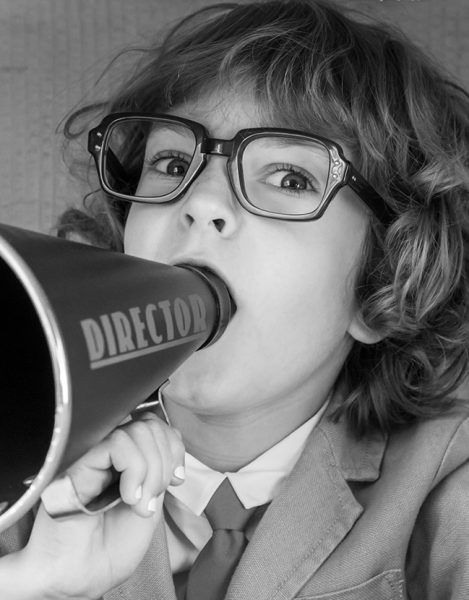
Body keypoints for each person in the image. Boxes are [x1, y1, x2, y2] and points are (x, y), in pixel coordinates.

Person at [1, 0, 469, 598]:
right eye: (171, 162)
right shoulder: (22, 470)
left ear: (381, 284)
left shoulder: (445, 491)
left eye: (290, 178)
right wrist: (31, 585)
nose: (201, 202)